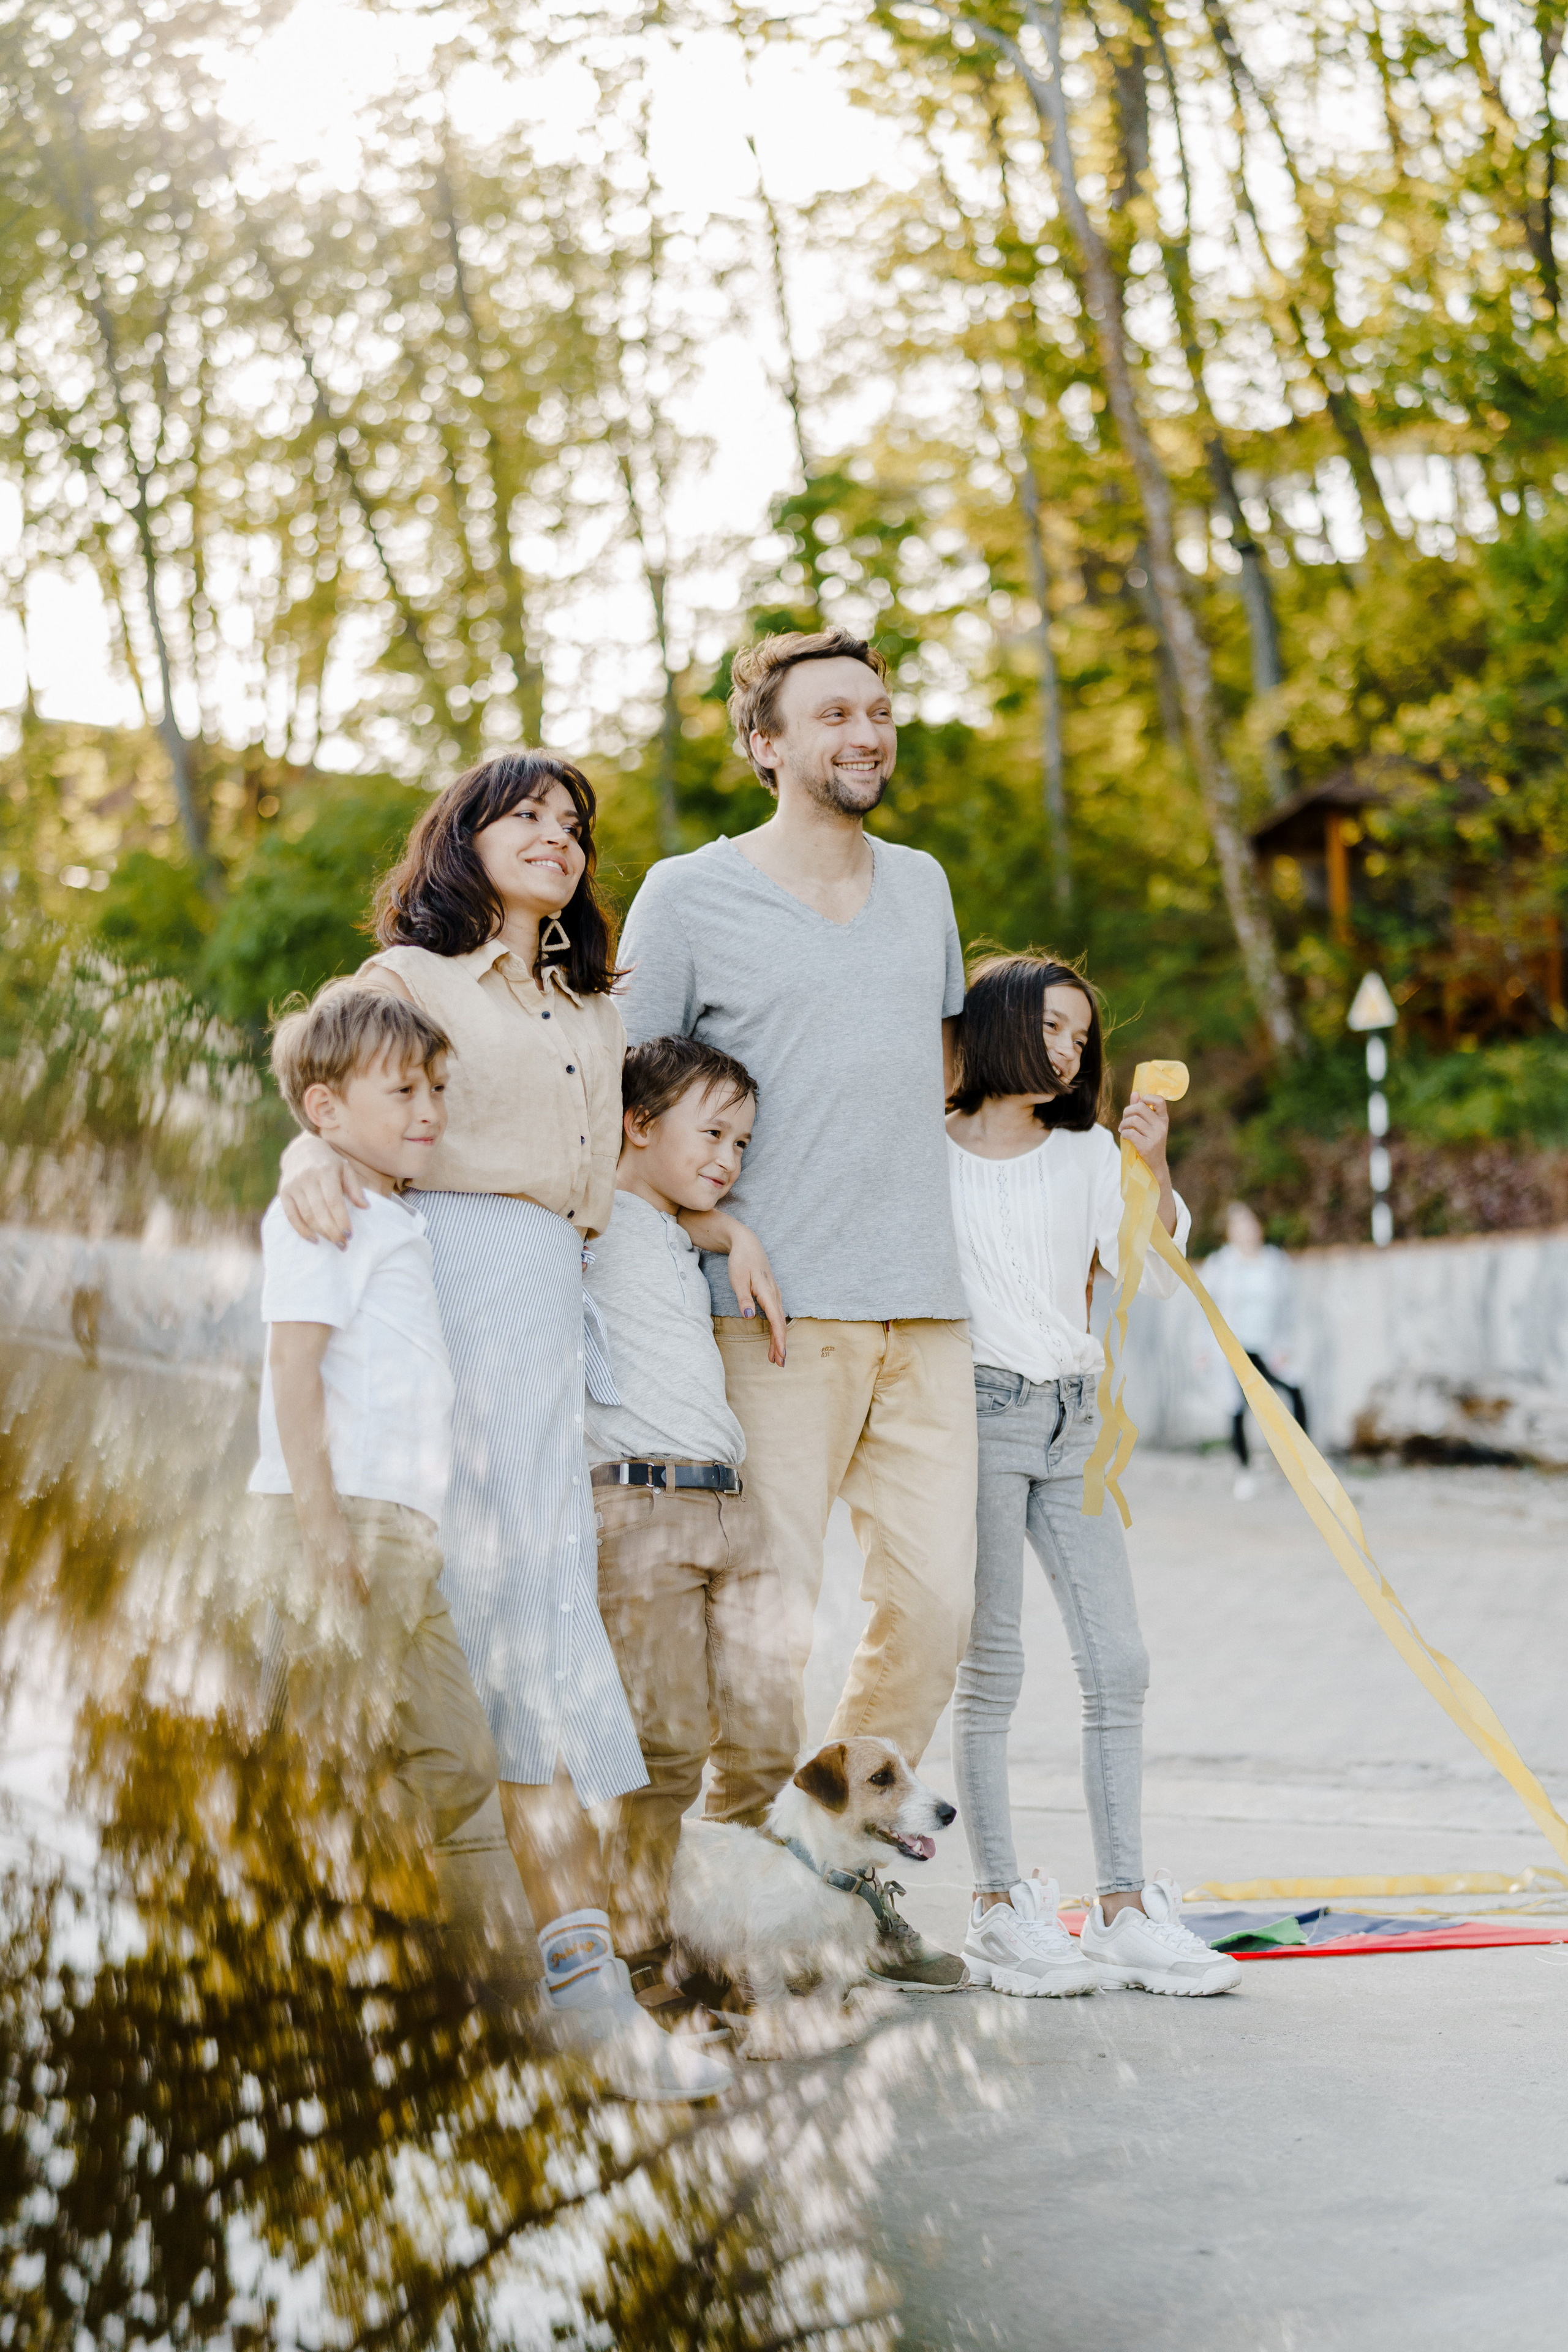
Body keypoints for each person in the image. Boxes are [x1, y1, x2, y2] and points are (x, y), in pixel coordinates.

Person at [273, 750, 728, 2101]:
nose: (555, 836)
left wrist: (715, 1221)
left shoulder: (586, 1002)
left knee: (530, 1631)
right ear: (461, 839)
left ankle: (558, 1985)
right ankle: (534, 1995)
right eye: (523, 815)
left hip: (551, 1317)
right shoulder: (409, 984)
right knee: (479, 1639)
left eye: (573, 823)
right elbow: (324, 1094)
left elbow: (604, 1170)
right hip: (451, 1300)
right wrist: (307, 1155)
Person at [617, 627, 977, 1991]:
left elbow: (938, 1081)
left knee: (934, 1605)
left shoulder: (925, 887)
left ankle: (854, 1879)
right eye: (833, 714)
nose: (867, 733)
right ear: (765, 743)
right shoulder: (686, 896)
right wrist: (709, 1220)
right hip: (766, 1320)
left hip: (925, 1319)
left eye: (880, 712)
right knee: (766, 1628)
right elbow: (625, 1101)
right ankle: (719, 1895)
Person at [945, 953, 1242, 2000]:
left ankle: (1121, 1909)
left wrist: (1154, 1174)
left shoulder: (1083, 1157)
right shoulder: (923, 1154)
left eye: (1082, 1037)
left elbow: (1154, 1269)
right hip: (973, 1418)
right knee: (992, 1668)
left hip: (1074, 1418)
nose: (1072, 1052)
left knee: (1119, 1663)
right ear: (996, 1026)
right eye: (1055, 1029)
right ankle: (996, 1909)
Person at [250, 984, 506, 1945]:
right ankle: (303, 1965)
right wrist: (322, 1532)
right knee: (329, 1752)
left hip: (405, 1530)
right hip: (338, 1519)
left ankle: (472, 1969)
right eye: (402, 1092)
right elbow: (293, 1367)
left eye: (435, 1088)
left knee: (455, 1755)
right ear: (325, 1113)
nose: (430, 1111)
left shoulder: (397, 1216)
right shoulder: (327, 1210)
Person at [584, 1034, 797, 2002]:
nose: (729, 1159)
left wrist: (732, 1232)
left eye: (744, 1144)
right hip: (638, 1508)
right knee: (664, 1745)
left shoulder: (678, 1228)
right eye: (712, 1133)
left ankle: (717, 1928)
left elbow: (692, 1213)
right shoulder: (584, 1216)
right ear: (637, 1124)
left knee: (763, 1737)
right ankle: (638, 1953)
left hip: (730, 1506)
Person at [1203, 1202, 1307, 1500]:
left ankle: (1299, 1466)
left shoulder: (1275, 1262)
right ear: (1229, 1233)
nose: (1247, 1232)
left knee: (1294, 1391)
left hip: (1268, 1345)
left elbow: (1288, 1307)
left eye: (1251, 1224)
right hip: (1234, 1346)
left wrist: (1286, 1344)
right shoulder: (1220, 1265)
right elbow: (1205, 1309)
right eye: (1240, 1227)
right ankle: (1245, 1470)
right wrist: (1202, 1348)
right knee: (1237, 1408)